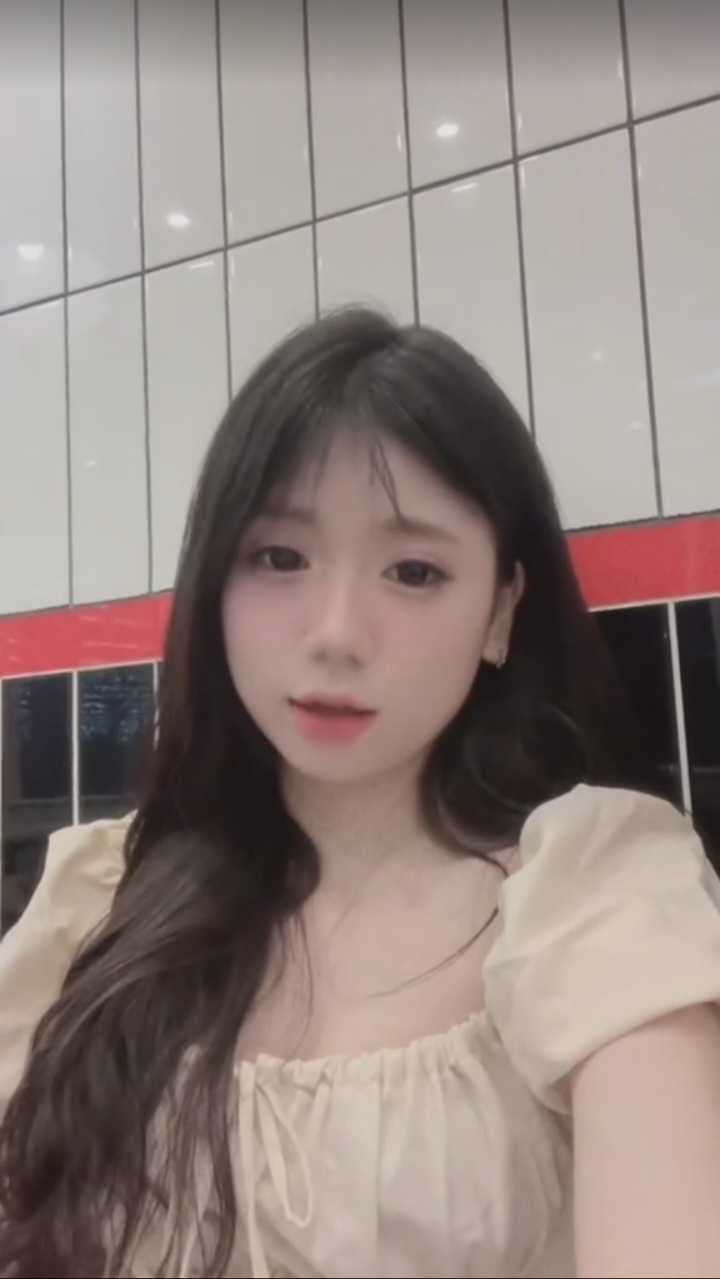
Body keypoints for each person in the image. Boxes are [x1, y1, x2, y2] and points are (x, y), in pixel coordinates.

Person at [0, 308, 719, 1279]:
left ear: (501, 610)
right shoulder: (98, 900)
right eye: (280, 558)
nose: (336, 632)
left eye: (414, 571)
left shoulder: (596, 889)